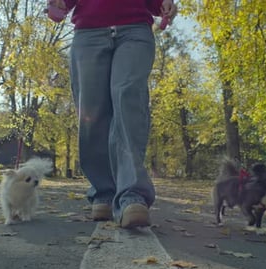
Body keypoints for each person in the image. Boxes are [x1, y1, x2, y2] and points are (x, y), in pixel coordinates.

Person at [51, 0, 177, 228]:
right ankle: (104, 193)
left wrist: (163, 4)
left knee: (128, 99)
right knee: (91, 112)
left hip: (135, 30)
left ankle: (132, 195)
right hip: (88, 32)